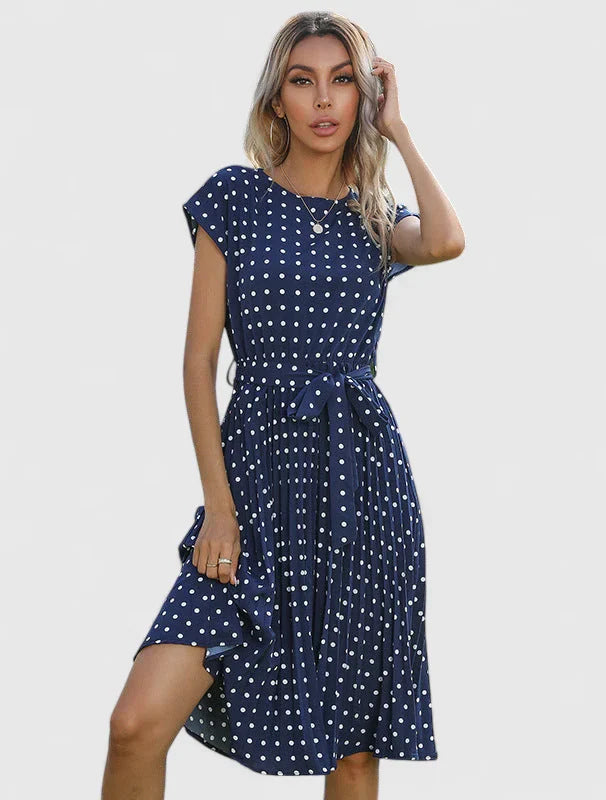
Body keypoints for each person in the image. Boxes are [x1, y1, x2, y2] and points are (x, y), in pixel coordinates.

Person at [101, 10, 464, 799]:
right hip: (253, 488)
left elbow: (445, 241)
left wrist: (399, 132)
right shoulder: (233, 198)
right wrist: (219, 508)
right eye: (304, 81)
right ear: (277, 100)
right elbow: (199, 362)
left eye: (343, 82)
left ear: (364, 99)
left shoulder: (376, 216)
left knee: (354, 751)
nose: (324, 100)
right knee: (135, 725)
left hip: (359, 491)